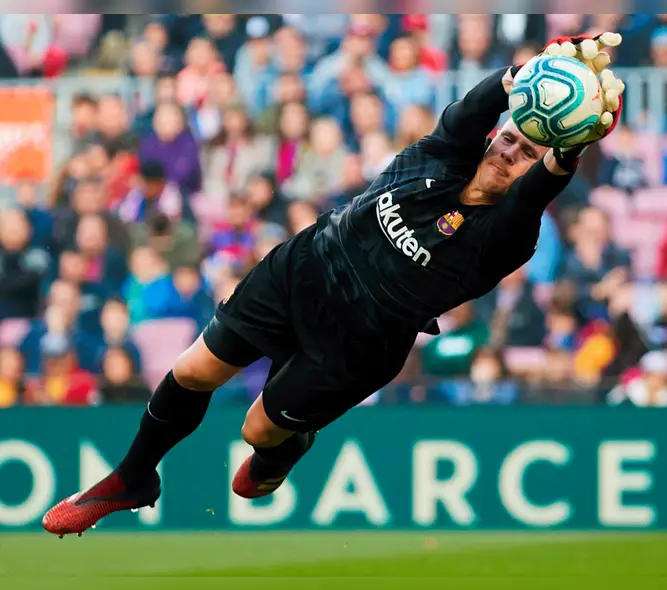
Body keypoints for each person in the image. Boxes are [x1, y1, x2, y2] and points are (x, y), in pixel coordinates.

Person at [42, 32, 626, 537]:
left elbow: (540, 188)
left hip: (360, 342)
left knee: (257, 430)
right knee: (194, 371)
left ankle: (286, 448)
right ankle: (132, 477)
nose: (510, 153)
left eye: (527, 152)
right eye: (509, 139)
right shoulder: (444, 152)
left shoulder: (507, 233)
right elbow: (481, 105)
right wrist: (529, 75)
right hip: (306, 267)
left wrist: (575, 139)